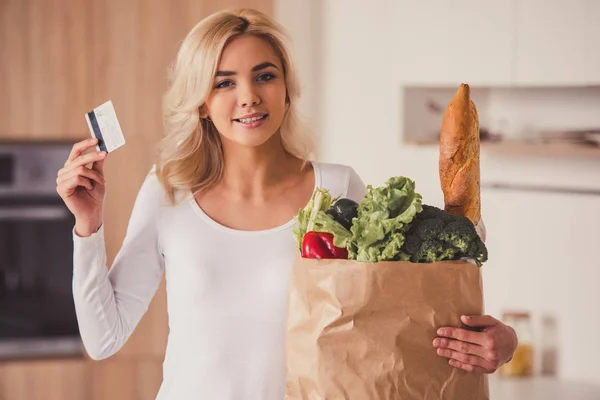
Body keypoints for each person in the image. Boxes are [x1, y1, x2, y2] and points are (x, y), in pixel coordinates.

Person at [56, 8, 517, 399]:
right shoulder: (167, 192)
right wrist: (88, 225)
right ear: (200, 102)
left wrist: (502, 341)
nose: (249, 97)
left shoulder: (337, 189)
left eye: (264, 76)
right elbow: (103, 338)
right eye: (224, 83)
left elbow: (407, 310)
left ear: (286, 87)